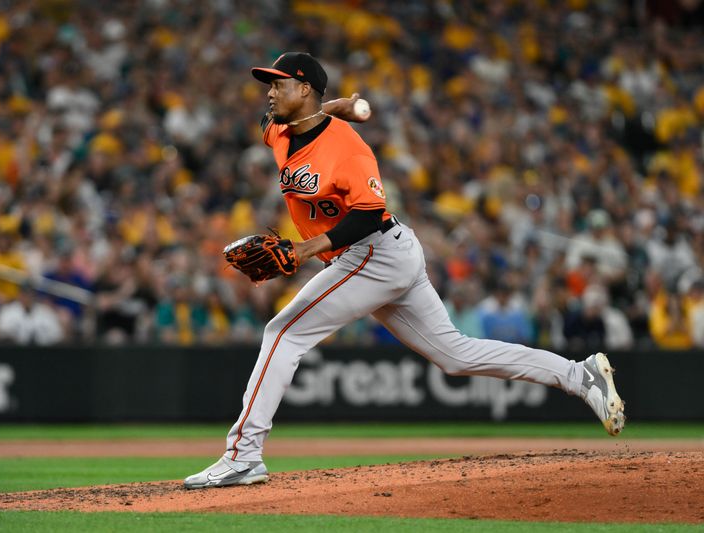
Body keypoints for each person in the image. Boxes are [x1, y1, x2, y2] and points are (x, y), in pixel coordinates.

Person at [183, 52, 626, 489]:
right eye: (270, 83)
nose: (270, 91)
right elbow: (278, 126)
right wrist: (334, 107)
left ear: (304, 89)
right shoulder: (280, 130)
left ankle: (242, 456)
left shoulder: (349, 148)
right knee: (456, 355)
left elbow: (369, 215)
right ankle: (579, 374)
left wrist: (304, 251)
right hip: (381, 255)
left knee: (283, 332)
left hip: (375, 250)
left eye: (279, 83)